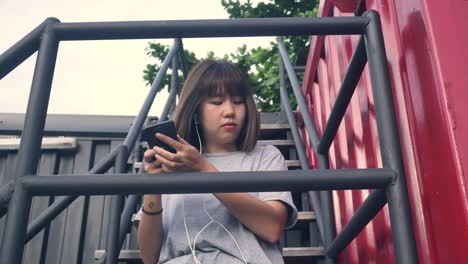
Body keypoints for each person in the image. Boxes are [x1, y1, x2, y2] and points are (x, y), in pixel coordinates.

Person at [136, 59, 298, 264]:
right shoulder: (174, 162)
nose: (230, 111)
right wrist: (153, 187)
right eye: (216, 102)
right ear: (195, 111)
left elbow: (272, 227)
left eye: (238, 101)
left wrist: (203, 169)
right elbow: (149, 257)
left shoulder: (265, 157)